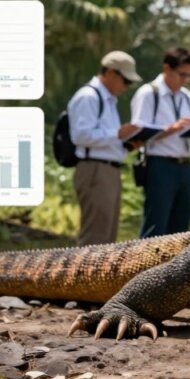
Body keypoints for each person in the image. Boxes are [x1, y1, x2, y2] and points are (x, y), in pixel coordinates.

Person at [130, 47, 190, 238]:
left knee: (181, 228)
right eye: (182, 75)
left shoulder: (187, 96)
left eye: (189, 76)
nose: (185, 80)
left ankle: (178, 268)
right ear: (167, 68)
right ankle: (148, 267)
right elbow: (138, 134)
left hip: (185, 165)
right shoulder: (148, 94)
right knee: (156, 225)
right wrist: (171, 129)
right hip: (159, 164)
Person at [68, 50, 142, 246]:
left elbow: (105, 139)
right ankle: (82, 277)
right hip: (95, 170)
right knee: (94, 237)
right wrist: (117, 134)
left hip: (108, 170)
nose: (126, 87)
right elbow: (81, 136)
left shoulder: (108, 100)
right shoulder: (89, 97)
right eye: (125, 80)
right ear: (110, 72)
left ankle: (96, 278)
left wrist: (127, 144)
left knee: (107, 237)